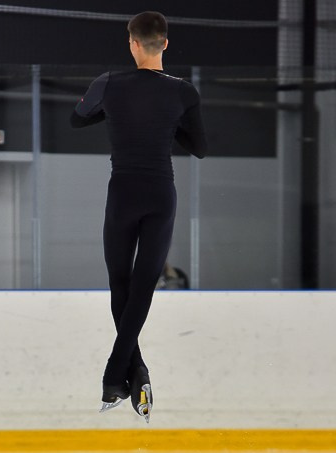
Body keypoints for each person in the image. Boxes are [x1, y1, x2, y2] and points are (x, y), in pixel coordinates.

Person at [71, 10, 207, 421]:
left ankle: (119, 374)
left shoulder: (108, 83)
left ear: (132, 43)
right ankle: (131, 372)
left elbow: (77, 119)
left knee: (120, 283)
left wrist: (111, 113)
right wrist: (168, 124)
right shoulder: (183, 91)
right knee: (144, 286)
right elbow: (200, 147)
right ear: (165, 43)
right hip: (160, 194)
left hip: (123, 193)